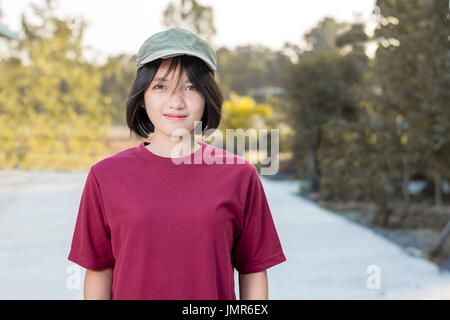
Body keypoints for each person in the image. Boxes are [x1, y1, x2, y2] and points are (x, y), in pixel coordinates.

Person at [67, 28, 286, 300]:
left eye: (191, 87)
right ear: (143, 97)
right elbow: (100, 270)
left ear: (207, 97)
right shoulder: (105, 176)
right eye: (160, 86)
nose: (176, 101)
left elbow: (252, 269)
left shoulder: (240, 175)